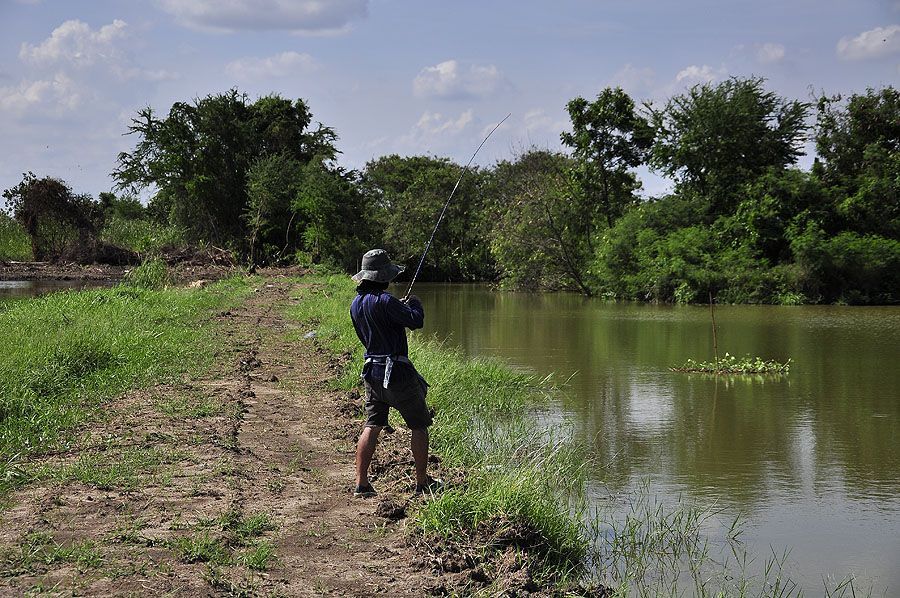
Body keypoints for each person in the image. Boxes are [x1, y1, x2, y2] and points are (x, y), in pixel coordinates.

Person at [349, 249, 441, 497]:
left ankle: (361, 483)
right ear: (383, 277)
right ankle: (422, 483)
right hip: (396, 374)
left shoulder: (356, 304)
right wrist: (414, 304)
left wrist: (397, 308)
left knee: (373, 425)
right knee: (419, 426)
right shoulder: (386, 301)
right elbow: (415, 321)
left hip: (372, 373)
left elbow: (378, 323)